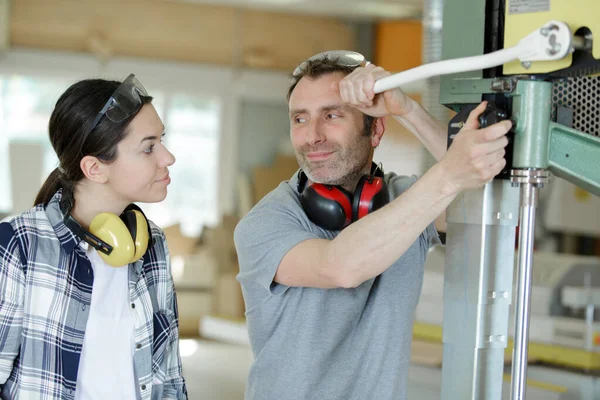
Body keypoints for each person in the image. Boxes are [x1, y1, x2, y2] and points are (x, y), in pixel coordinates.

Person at [234, 51, 511, 400]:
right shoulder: (264, 222)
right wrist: (448, 174)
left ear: (375, 129)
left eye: (332, 115)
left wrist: (406, 110)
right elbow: (341, 267)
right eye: (300, 119)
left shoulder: (404, 199)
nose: (312, 136)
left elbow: (484, 190)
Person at [0, 74, 187, 399]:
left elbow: (169, 376)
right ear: (95, 168)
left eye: (162, 140)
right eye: (149, 148)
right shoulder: (19, 245)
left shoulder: (152, 244)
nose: (168, 158)